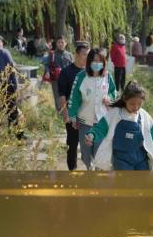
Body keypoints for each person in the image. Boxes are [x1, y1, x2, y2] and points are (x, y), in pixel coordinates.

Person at [84, 81, 153, 170]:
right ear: (125, 99)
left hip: (141, 158)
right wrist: (92, 135)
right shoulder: (115, 113)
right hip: (121, 159)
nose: (136, 107)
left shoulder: (145, 116)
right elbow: (100, 128)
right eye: (132, 104)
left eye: (139, 104)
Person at [68, 47, 118, 170]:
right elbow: (74, 97)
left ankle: (98, 171)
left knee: (99, 150)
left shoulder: (107, 76)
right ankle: (88, 166)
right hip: (85, 121)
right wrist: (73, 117)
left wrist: (109, 97)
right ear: (89, 62)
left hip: (101, 121)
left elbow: (114, 92)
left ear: (104, 62)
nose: (97, 64)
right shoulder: (81, 76)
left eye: (100, 61)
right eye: (94, 61)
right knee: (86, 151)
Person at [58, 41, 90, 170]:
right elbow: (62, 94)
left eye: (89, 55)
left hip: (88, 114)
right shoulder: (66, 72)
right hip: (72, 114)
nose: (87, 57)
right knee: (72, 143)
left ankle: (90, 168)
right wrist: (65, 113)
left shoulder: (90, 72)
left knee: (88, 143)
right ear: (77, 55)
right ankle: (72, 169)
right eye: (84, 55)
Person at [42, 36, 73, 114]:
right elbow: (47, 65)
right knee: (57, 95)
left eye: (62, 42)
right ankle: (59, 112)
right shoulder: (52, 54)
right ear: (56, 43)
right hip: (56, 79)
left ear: (65, 43)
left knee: (68, 95)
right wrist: (47, 72)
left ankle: (67, 112)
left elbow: (73, 66)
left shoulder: (69, 55)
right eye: (59, 42)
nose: (61, 44)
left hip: (67, 79)